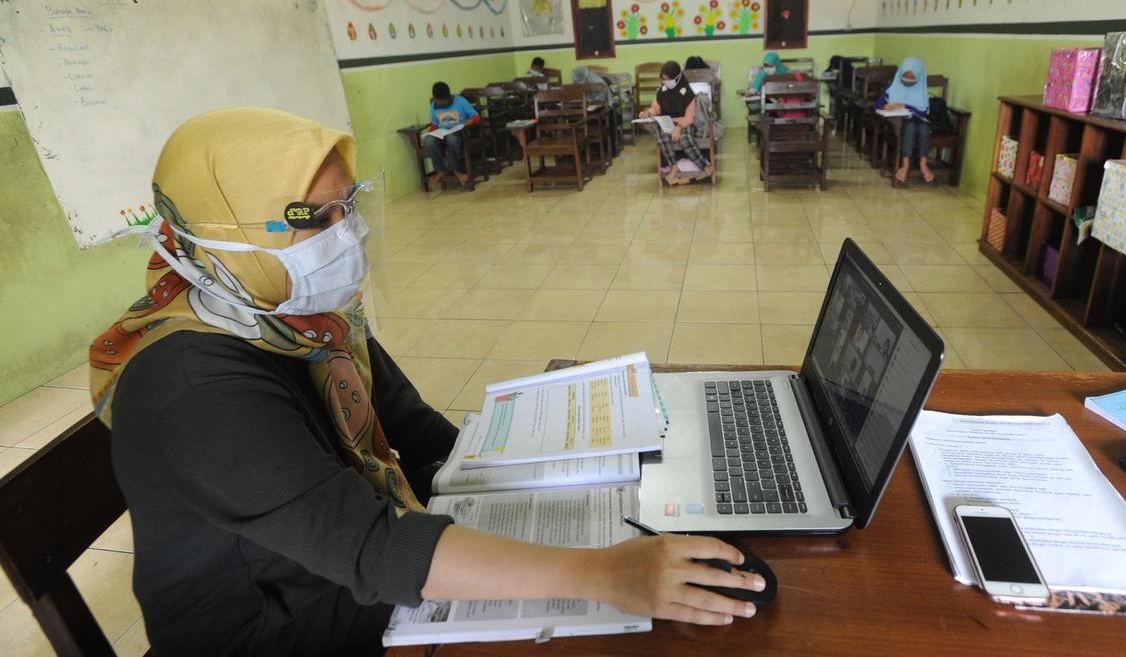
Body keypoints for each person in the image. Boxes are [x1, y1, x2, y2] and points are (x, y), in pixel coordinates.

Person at [92, 107, 763, 656]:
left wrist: (554, 481)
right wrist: (604, 573)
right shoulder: (191, 386)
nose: (346, 234)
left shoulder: (307, 320)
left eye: (348, 205)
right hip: (277, 625)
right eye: (312, 219)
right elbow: (371, 548)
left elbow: (418, 434)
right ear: (220, 234)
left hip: (348, 562)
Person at [638, 60, 714, 184]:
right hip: (668, 122)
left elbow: (689, 116)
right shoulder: (662, 92)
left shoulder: (687, 93)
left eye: (668, 79)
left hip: (685, 123)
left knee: (684, 139)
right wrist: (648, 113)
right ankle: (673, 165)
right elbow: (656, 108)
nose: (666, 81)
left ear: (677, 77)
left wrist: (678, 128)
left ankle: (704, 165)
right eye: (663, 79)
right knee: (662, 136)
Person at [876, 56, 936, 185]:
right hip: (900, 121)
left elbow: (924, 112)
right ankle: (905, 164)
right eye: (905, 77)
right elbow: (878, 105)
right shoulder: (893, 87)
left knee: (924, 128)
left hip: (918, 119)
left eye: (912, 78)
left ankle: (923, 164)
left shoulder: (921, 89)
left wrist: (906, 106)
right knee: (910, 127)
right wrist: (886, 106)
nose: (908, 81)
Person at [425, 81, 479, 187]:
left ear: (449, 96)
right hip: (442, 133)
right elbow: (435, 124)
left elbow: (476, 116)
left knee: (451, 139)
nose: (443, 104)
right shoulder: (434, 105)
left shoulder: (461, 101)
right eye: (440, 102)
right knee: (429, 141)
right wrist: (430, 133)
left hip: (460, 132)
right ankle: (440, 170)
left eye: (446, 101)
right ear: (435, 99)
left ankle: (456, 170)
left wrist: (471, 120)